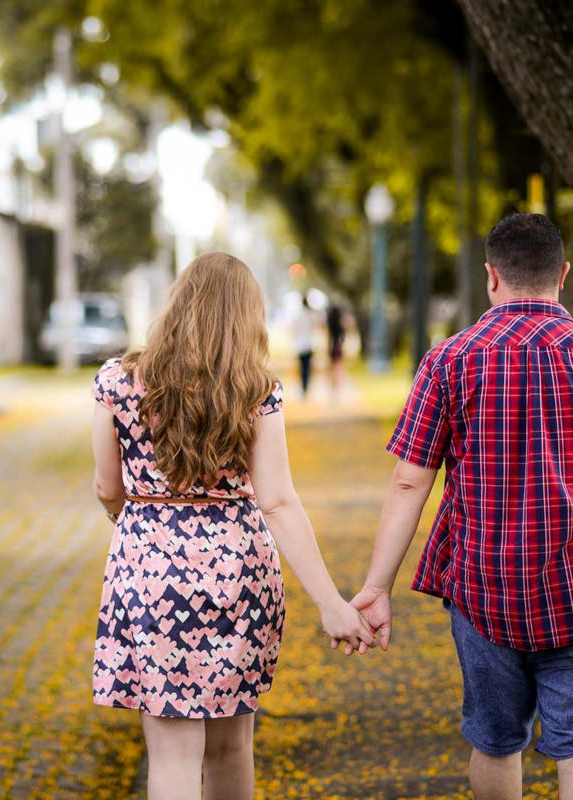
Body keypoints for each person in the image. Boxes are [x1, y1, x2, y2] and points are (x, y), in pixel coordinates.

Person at [346, 214, 573, 800]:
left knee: (496, 742)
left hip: (484, 591)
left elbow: (409, 483)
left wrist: (377, 586)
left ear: (491, 276)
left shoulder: (448, 361)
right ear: (562, 275)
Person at [90, 252, 373, 800]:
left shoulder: (117, 381)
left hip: (150, 569)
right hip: (238, 576)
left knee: (172, 754)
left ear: (178, 303)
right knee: (231, 746)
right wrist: (330, 603)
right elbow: (279, 502)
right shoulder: (254, 389)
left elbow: (107, 486)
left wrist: (136, 520)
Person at [292, 294, 316, 397]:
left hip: (300, 345)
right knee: (308, 367)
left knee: (302, 367)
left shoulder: (298, 315)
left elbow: (295, 331)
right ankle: (306, 386)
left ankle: (303, 386)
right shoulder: (311, 315)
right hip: (308, 345)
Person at [326, 303, 347, 395]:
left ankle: (333, 383)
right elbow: (342, 337)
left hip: (332, 347)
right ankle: (337, 382)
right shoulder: (340, 325)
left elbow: (329, 337)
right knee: (338, 366)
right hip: (338, 347)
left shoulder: (330, 324)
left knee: (332, 365)